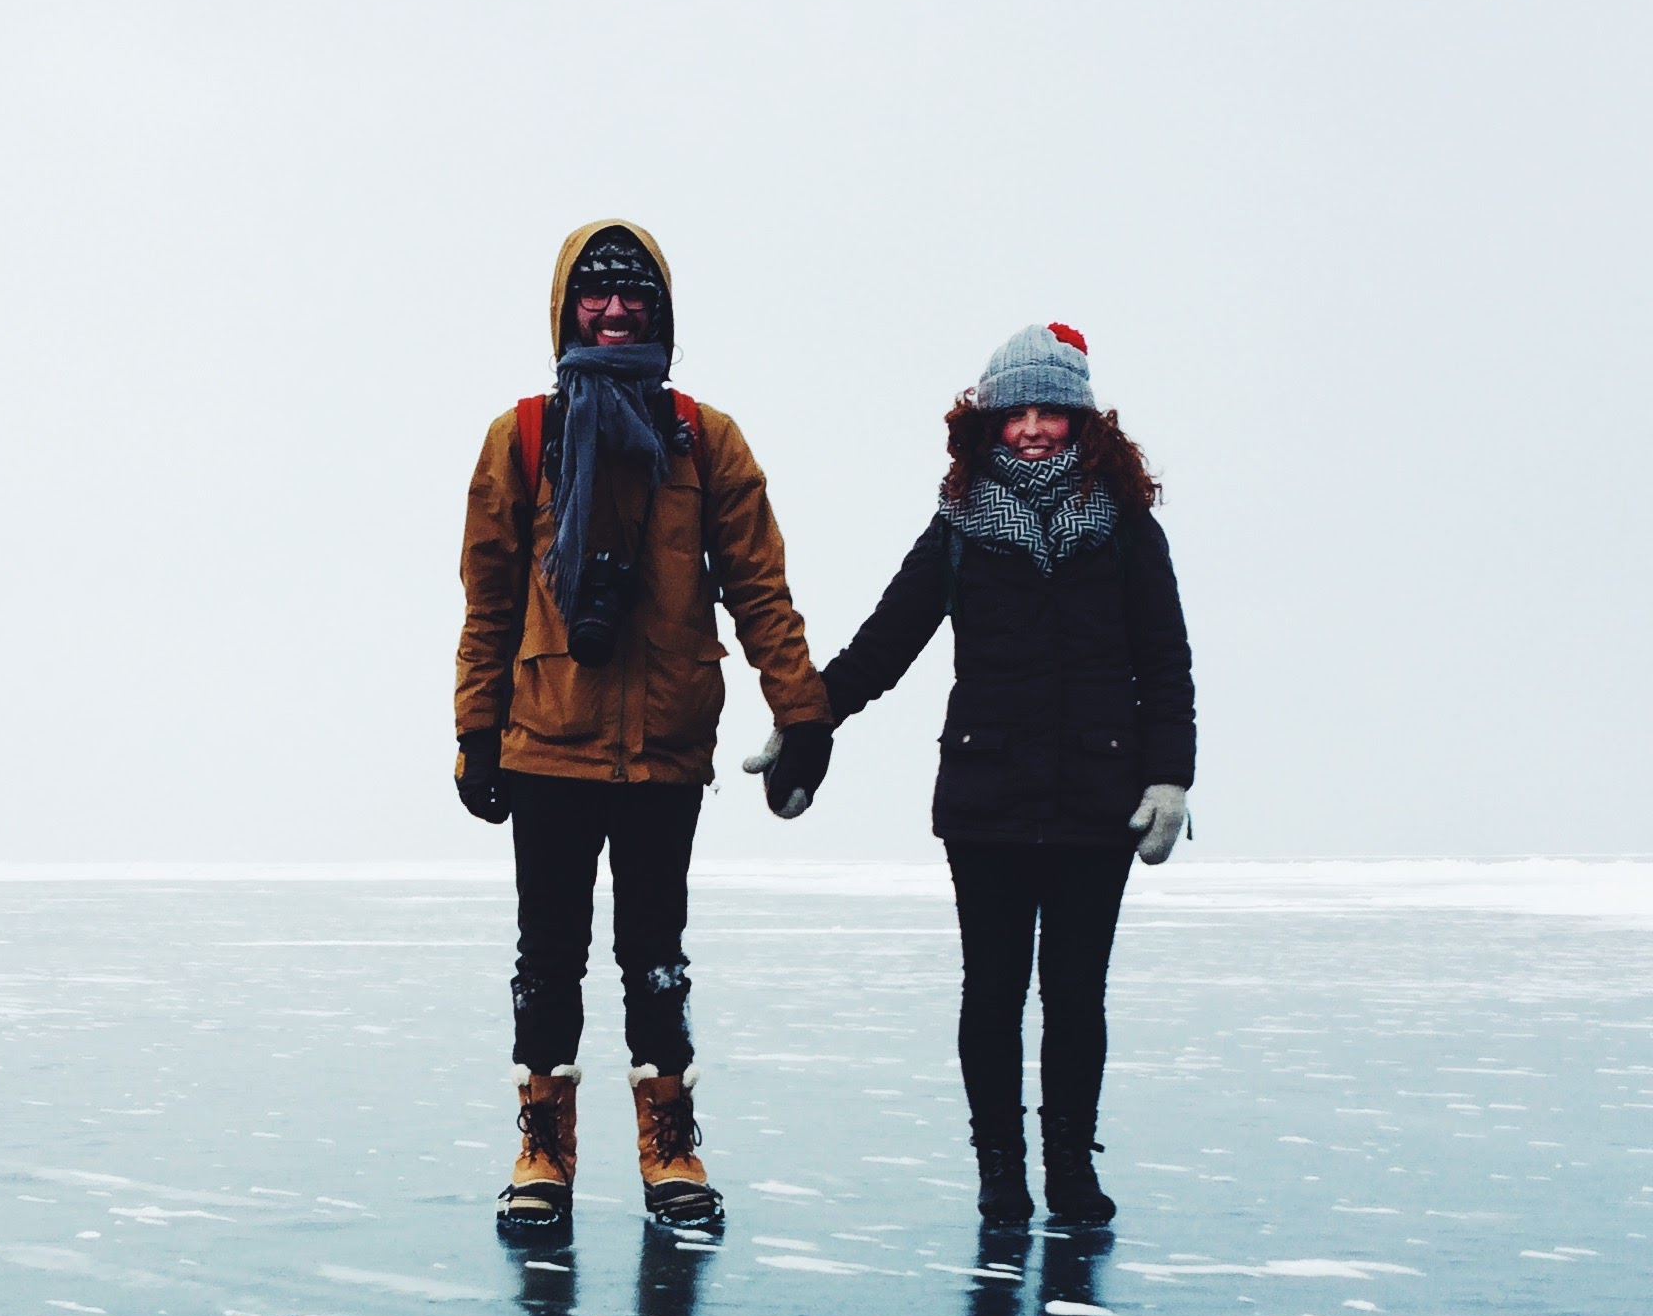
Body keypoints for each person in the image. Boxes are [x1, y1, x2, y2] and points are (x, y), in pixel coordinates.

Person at [762, 322, 1194, 1225]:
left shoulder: (1126, 528)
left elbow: (1164, 663)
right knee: (992, 990)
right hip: (988, 799)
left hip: (1096, 799)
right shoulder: (958, 530)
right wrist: (807, 719)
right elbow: (885, 642)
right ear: (987, 423)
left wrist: (1169, 779)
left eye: (1053, 412)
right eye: (1016, 413)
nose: (1034, 428)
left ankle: (1070, 1168)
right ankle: (1001, 1170)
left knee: (1076, 993)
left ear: (1084, 423)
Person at [452, 220, 832, 1238]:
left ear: (661, 316)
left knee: (655, 954)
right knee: (550, 953)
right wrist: (475, 733)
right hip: (549, 741)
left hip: (665, 746)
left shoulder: (704, 441)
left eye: (634, 298)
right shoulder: (522, 437)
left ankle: (671, 1145)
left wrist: (802, 714)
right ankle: (543, 1146)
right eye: (596, 294)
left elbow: (760, 588)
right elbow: (488, 602)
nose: (615, 311)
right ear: (566, 309)